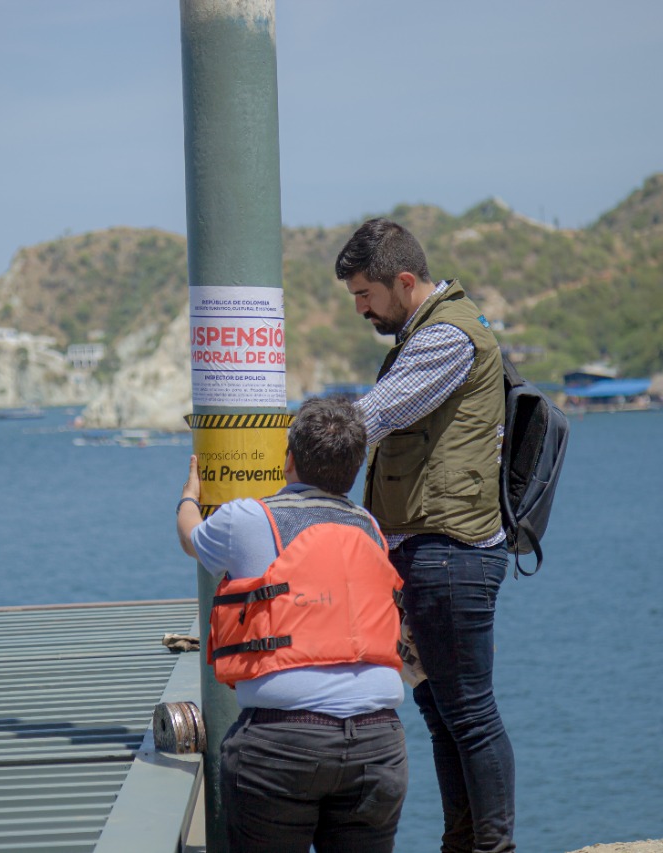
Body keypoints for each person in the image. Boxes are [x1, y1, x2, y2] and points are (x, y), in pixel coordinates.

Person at [335, 218, 516, 853]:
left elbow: (376, 415)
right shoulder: (429, 331)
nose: (360, 309)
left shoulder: (446, 339)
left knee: (469, 714)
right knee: (444, 716)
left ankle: (491, 848)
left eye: (365, 294)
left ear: (403, 281)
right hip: (432, 550)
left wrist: (294, 455)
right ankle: (461, 843)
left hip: (451, 552)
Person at [176, 397, 408, 853]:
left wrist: (189, 495)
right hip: (379, 744)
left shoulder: (248, 519)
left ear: (290, 460)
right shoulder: (370, 529)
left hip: (280, 745)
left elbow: (190, 538)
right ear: (355, 469)